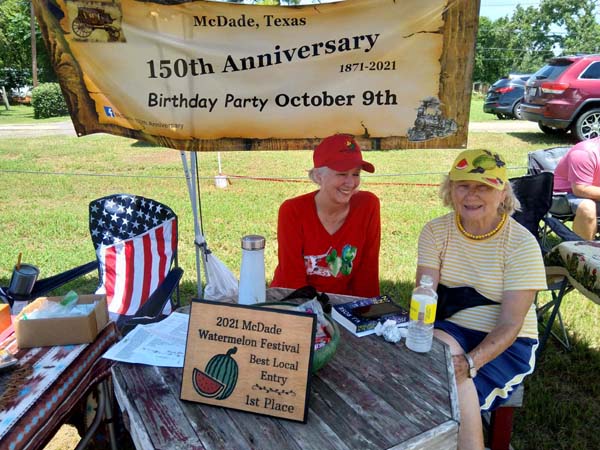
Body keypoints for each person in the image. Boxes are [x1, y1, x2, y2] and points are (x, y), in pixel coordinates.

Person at [416, 149, 547, 450]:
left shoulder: (521, 244)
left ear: (503, 193)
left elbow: (512, 323)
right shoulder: (435, 231)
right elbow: (424, 294)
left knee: (454, 379)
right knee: (440, 356)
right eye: (463, 185)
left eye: (483, 186)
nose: (471, 195)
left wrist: (470, 364)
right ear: (450, 189)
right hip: (452, 329)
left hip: (508, 341)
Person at [271, 133, 381, 298]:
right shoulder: (292, 211)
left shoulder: (368, 205)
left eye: (356, 174)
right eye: (342, 174)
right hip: (294, 303)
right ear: (318, 176)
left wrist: (365, 315)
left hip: (341, 306)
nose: (351, 183)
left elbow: (368, 272)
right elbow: (292, 279)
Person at [553, 136, 600, 240]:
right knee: (587, 207)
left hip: (594, 193)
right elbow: (580, 189)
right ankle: (584, 252)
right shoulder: (585, 153)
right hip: (561, 196)